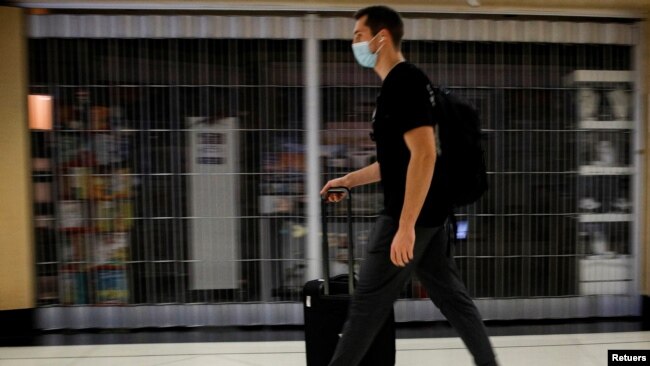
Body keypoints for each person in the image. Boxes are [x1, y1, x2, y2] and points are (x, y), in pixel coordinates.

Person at [320, 5, 498, 366]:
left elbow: (425, 155)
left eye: (358, 35)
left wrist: (404, 226)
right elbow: (397, 162)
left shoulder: (405, 82)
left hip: (411, 216)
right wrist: (348, 180)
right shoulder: (401, 86)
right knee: (453, 299)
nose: (354, 43)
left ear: (380, 37)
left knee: (367, 303)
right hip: (431, 215)